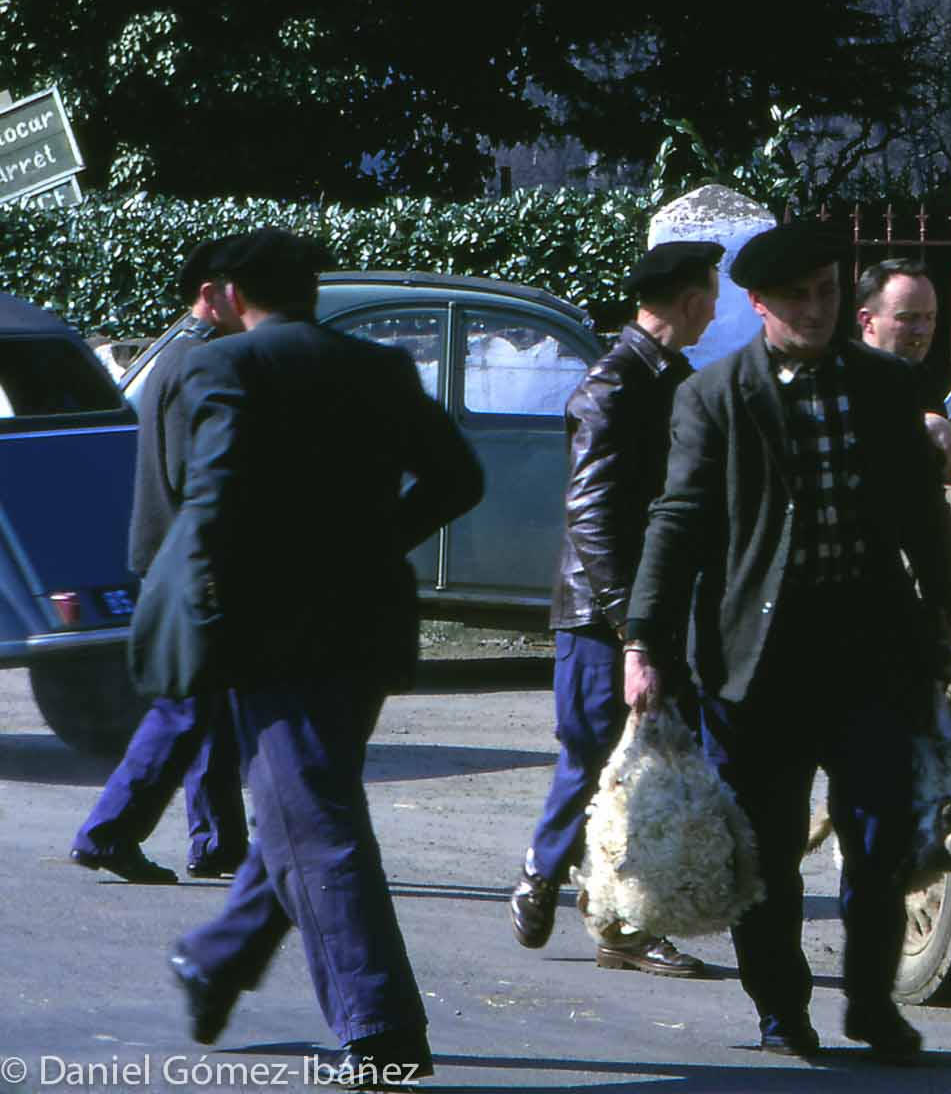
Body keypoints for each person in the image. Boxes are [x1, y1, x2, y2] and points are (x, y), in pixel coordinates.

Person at [623, 220, 951, 1063]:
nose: (814, 312)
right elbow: (678, 522)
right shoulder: (715, 395)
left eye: (824, 294)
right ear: (758, 305)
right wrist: (643, 641)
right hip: (757, 661)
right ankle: (782, 1011)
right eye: (794, 300)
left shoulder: (885, 385)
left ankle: (871, 1002)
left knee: (883, 841)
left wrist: (947, 605)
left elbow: (924, 512)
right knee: (767, 854)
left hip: (870, 649)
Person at [159, 229, 483, 1089]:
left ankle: (380, 1034)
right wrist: (375, 546)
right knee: (307, 810)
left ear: (228, 293)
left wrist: (203, 617)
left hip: (275, 638)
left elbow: (211, 508)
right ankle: (218, 959)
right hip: (370, 629)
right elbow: (458, 479)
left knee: (318, 827)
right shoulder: (381, 367)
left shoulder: (222, 368)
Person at [508, 240, 722, 978]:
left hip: (639, 610)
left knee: (633, 769)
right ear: (692, 302)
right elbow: (592, 513)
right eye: (712, 296)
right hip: (605, 616)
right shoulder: (614, 386)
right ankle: (544, 875)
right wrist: (634, 624)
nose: (715, 311)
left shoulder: (668, 379)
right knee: (602, 758)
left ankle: (619, 925)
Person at [68, 240, 250, 884]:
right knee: (185, 709)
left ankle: (219, 842)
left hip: (176, 559)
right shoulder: (199, 362)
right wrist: (206, 568)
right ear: (214, 291)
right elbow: (191, 478)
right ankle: (108, 832)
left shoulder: (179, 355)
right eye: (240, 290)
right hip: (187, 563)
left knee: (212, 712)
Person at [853, 255, 951, 479]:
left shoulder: (920, 379)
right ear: (867, 321)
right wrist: (916, 426)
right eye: (908, 318)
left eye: (929, 317)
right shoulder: (845, 379)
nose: (922, 330)